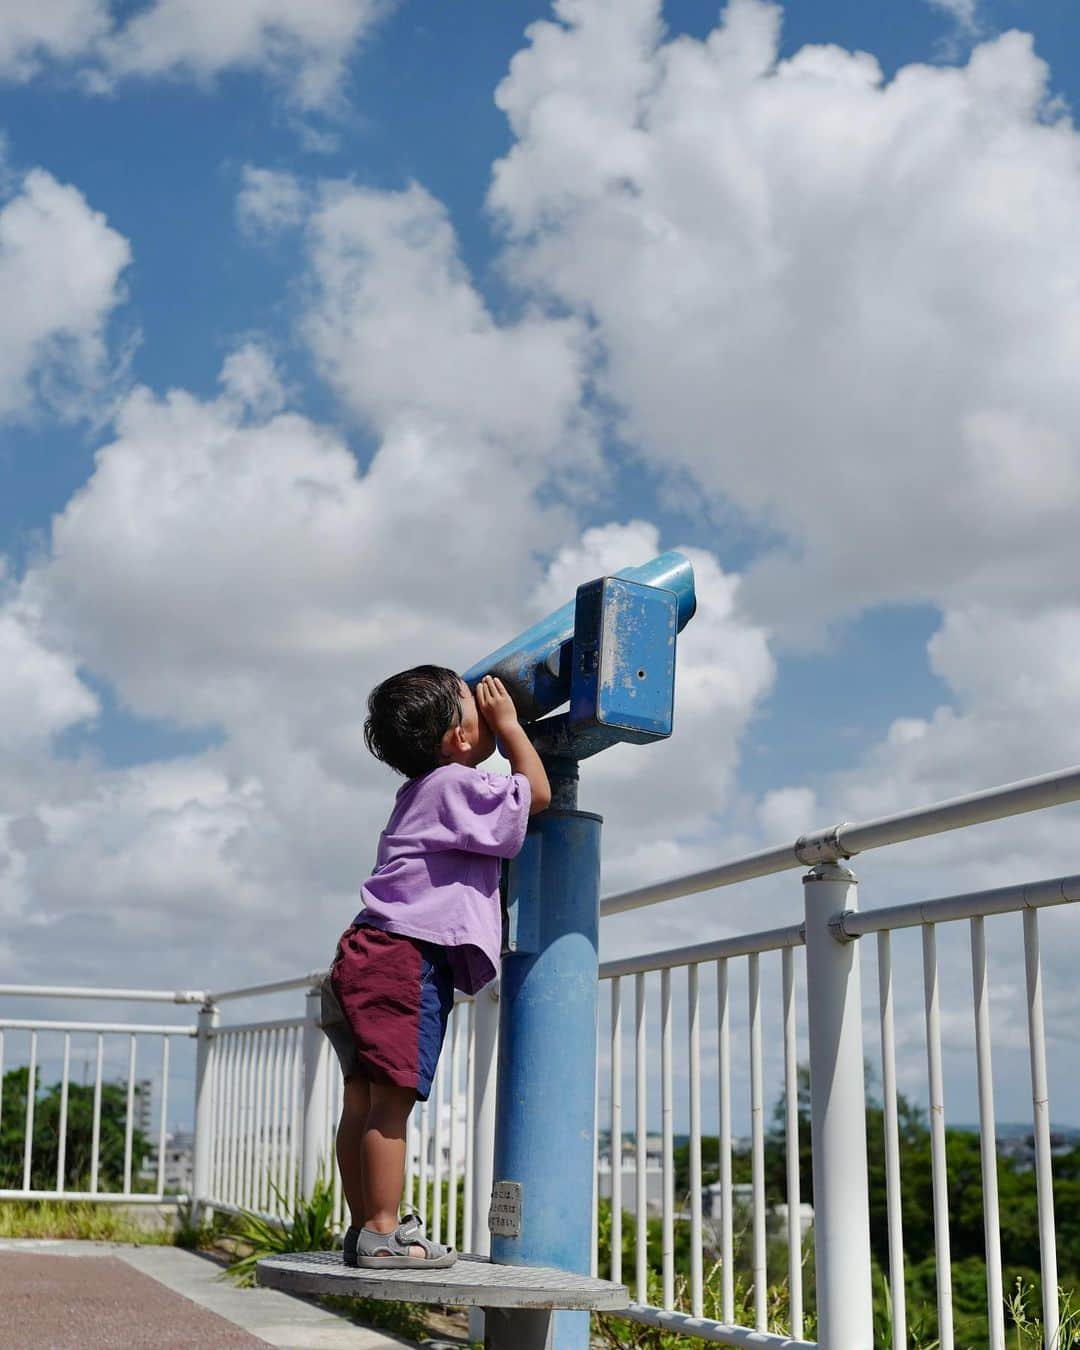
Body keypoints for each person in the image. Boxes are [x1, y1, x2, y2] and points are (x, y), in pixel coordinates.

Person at [319, 666, 551, 1268]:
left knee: (362, 1102)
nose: (488, 706)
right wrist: (513, 727)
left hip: (363, 952)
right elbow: (536, 796)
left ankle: (363, 1227)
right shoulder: (453, 783)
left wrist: (490, 725)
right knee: (391, 1104)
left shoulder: (418, 790)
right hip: (403, 959)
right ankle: (382, 1230)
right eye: (477, 705)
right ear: (457, 738)